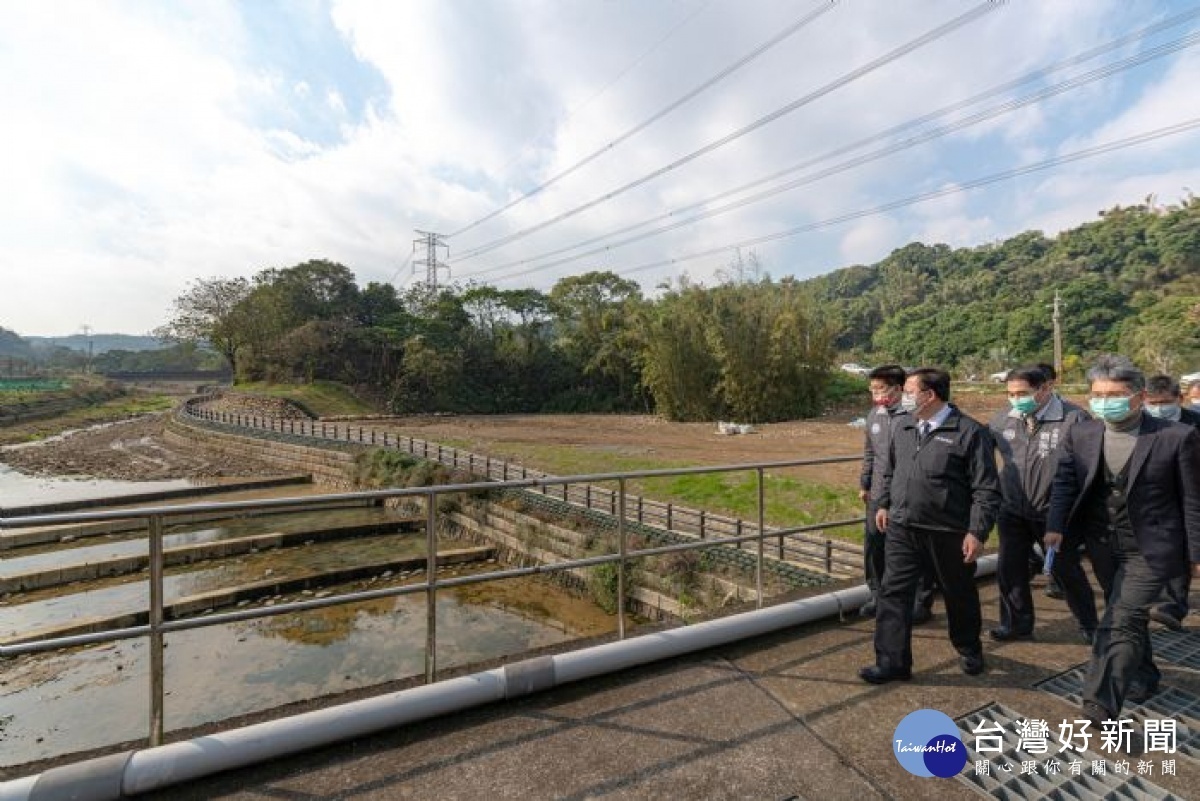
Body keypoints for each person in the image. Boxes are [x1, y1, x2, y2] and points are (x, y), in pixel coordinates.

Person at [1046, 355, 1200, 723]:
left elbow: (1193, 499)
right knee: (1128, 617)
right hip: (1102, 542)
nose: (1104, 401)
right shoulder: (1083, 433)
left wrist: (1196, 553)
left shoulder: (1176, 437)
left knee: (1119, 617)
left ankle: (1100, 701)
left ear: (1138, 395)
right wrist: (1056, 526)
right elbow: (1065, 482)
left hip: (1153, 547)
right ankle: (1144, 676)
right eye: (1097, 394)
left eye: (1114, 394)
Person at [860, 367, 1001, 683]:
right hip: (902, 527)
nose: (903, 397)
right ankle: (891, 661)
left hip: (947, 532)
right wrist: (883, 504)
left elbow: (986, 488)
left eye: (909, 392)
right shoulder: (905, 426)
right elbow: (889, 471)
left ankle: (969, 648)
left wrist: (977, 531)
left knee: (958, 593)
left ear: (930, 395)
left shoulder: (969, 432)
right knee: (893, 592)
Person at [989, 366, 1098, 643]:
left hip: (1056, 513)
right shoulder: (1003, 420)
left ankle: (1090, 625)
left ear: (1045, 389)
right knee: (1010, 569)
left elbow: (1086, 471)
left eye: (1022, 393)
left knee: (1065, 570)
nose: (1016, 399)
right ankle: (1016, 624)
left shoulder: (1074, 419)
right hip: (1013, 508)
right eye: (1010, 393)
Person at [857, 365, 935, 622]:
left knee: (911, 549)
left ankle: (920, 602)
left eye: (881, 388)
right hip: (877, 492)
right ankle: (878, 595)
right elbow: (870, 452)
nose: (876, 394)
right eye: (873, 389)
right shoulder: (874, 415)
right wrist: (865, 483)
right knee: (874, 547)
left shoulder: (914, 417)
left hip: (905, 494)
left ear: (898, 389)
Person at [1143, 374, 1200, 630]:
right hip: (1158, 494)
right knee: (1164, 549)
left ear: (1180, 398)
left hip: (1191, 493)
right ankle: (1166, 603)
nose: (1158, 407)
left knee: (1187, 547)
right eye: (1152, 402)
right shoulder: (1143, 425)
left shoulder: (1195, 424)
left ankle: (1172, 605)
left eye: (1164, 402)